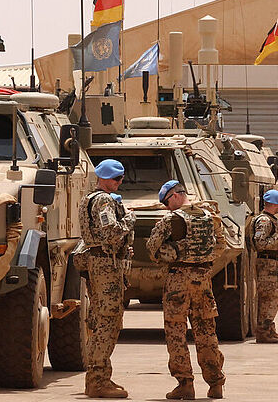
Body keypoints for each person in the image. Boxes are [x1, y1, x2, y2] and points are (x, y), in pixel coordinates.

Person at [146, 180, 225, 400]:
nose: (166, 207)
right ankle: (215, 383)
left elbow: (152, 249)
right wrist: (201, 260)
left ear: (174, 196)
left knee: (176, 333)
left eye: (166, 202)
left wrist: (171, 252)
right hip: (203, 280)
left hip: (178, 282)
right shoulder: (210, 217)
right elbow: (221, 245)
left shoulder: (171, 220)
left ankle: (185, 384)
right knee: (206, 332)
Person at [78, 159, 134, 399]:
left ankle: (98, 377)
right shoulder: (103, 200)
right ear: (108, 179)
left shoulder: (88, 198)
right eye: (118, 179)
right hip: (106, 267)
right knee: (108, 322)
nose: (119, 184)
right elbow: (110, 232)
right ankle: (98, 381)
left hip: (100, 263)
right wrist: (129, 221)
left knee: (100, 321)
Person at [251, 189, 278, 343]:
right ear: (274, 204)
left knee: (273, 299)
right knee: (267, 299)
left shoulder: (272, 220)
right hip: (266, 264)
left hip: (273, 263)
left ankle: (269, 329)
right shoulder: (264, 221)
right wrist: (277, 236)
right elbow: (260, 244)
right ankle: (263, 331)